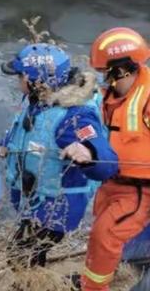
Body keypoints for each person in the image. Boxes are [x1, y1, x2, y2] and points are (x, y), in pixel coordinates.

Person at [0, 43, 118, 270]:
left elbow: (107, 163)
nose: (17, 81)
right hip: (35, 200)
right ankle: (35, 278)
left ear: (35, 80)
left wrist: (89, 153)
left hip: (56, 208)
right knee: (29, 254)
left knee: (20, 256)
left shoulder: (75, 117)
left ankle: (33, 284)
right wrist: (3, 146)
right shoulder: (38, 102)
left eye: (20, 76)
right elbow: (23, 132)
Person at [80, 27, 150, 291]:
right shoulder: (112, 97)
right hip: (113, 182)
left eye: (104, 72)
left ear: (121, 69)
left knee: (105, 235)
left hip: (141, 189)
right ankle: (94, 281)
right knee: (99, 233)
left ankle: (94, 288)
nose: (102, 79)